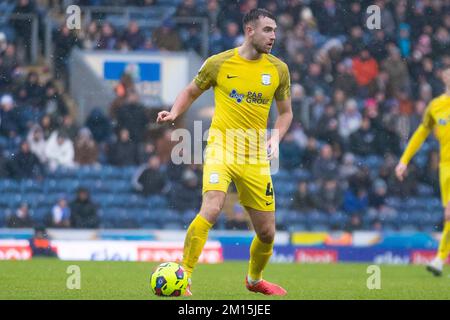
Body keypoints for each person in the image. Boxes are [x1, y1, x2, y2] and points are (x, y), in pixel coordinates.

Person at [157, 8, 292, 296]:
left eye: (275, 31)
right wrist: (174, 112)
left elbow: (286, 113)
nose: (273, 36)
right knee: (213, 206)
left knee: (267, 233)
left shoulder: (278, 69)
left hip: (256, 157)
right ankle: (185, 274)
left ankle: (254, 280)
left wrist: (276, 138)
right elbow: (191, 91)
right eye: (267, 30)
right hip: (221, 147)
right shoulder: (219, 63)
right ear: (249, 30)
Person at [395, 66, 450, 276]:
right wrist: (404, 160)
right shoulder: (436, 106)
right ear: (444, 78)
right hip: (446, 167)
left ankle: (438, 258)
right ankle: (439, 259)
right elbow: (421, 133)